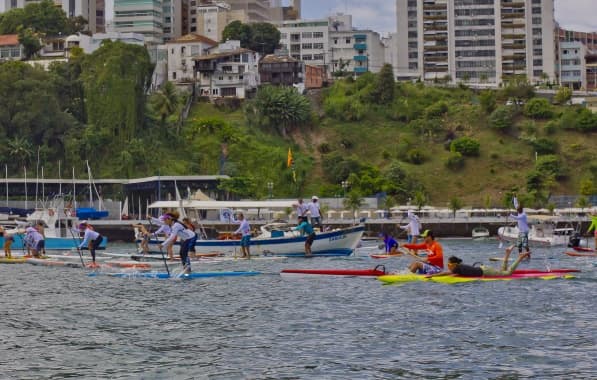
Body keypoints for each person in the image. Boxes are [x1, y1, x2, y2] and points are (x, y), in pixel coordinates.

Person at [428, 245, 530, 278]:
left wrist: (432, 276)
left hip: (485, 271)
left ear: (454, 264)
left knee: (507, 274)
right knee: (502, 271)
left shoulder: (457, 268)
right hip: (483, 269)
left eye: (449, 264)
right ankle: (507, 253)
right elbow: (454, 274)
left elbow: (447, 273)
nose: (448, 266)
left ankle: (520, 257)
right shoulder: (459, 267)